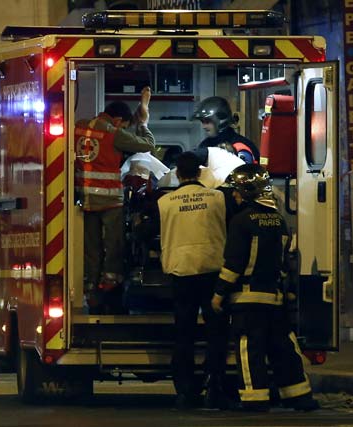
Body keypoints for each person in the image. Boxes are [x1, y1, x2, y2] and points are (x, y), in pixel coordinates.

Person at [211, 164, 319, 412]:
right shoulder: (279, 220)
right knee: (283, 347)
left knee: (250, 349)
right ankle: (299, 396)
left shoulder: (241, 221)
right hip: (274, 297)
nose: (235, 196)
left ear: (247, 192)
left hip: (248, 300)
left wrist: (218, 294)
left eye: (237, 191)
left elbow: (234, 264)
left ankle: (255, 399)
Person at [157, 152, 229, 410]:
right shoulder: (218, 197)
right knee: (216, 332)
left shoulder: (165, 202)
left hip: (181, 271)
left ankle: (185, 392)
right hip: (212, 270)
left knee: (184, 333)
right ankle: (215, 386)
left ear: (177, 174)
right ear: (199, 173)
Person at [76, 87, 155, 314]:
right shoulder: (114, 133)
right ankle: (111, 286)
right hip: (110, 201)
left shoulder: (78, 127)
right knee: (113, 247)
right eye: (123, 125)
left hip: (85, 200)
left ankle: (91, 290)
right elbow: (148, 145)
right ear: (118, 120)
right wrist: (143, 122)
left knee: (91, 248)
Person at [192, 96, 260, 164]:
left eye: (207, 121)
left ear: (221, 120)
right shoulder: (204, 145)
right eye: (202, 121)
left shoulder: (240, 145)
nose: (204, 126)